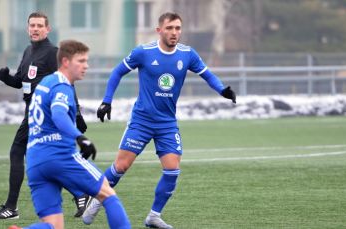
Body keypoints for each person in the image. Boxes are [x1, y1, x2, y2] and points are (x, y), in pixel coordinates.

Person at [82, 12, 236, 229]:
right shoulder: (143, 52)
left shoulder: (187, 54)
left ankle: (153, 216)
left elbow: (207, 74)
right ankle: (98, 199)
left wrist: (223, 90)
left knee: (172, 170)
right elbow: (117, 73)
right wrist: (107, 101)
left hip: (167, 123)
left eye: (178, 28)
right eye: (170, 28)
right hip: (142, 121)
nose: (174, 33)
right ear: (159, 30)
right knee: (121, 166)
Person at [9, 39, 131, 229]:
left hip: (35, 162)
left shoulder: (45, 83)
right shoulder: (61, 86)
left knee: (53, 226)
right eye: (81, 61)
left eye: (86, 61)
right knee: (107, 193)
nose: (86, 66)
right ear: (66, 62)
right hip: (58, 155)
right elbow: (58, 114)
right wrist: (80, 137)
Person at [0, 12, 90, 220]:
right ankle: (81, 193)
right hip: (32, 113)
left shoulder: (53, 53)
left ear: (48, 29)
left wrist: (77, 112)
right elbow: (20, 82)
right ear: (28, 28)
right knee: (45, 159)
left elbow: (67, 82)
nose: (35, 29)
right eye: (32, 25)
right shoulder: (28, 51)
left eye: (39, 26)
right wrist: (5, 78)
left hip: (46, 115)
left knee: (18, 152)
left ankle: (11, 207)